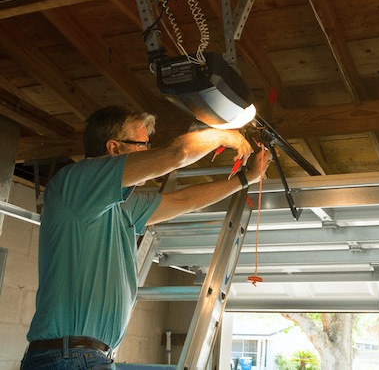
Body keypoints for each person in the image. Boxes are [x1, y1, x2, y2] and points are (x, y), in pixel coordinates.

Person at [20, 106, 271, 369]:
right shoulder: (75, 183)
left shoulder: (123, 206)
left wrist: (245, 179)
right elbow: (176, 154)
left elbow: (183, 200)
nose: (148, 152)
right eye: (142, 144)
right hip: (69, 356)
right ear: (114, 148)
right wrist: (225, 135)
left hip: (84, 356)